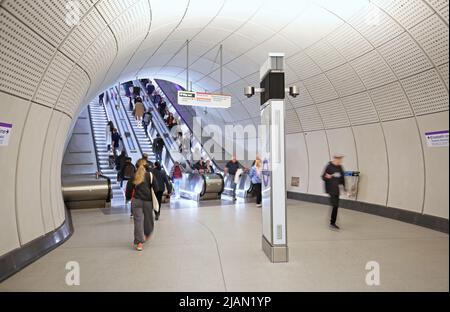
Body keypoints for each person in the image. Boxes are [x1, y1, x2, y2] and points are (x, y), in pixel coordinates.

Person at [125, 159, 156, 252]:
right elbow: (156, 188)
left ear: (136, 166)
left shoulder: (134, 176)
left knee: (138, 221)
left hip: (136, 201)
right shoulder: (150, 175)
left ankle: (139, 243)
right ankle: (146, 235)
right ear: (146, 166)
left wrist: (128, 198)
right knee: (148, 220)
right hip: (147, 201)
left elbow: (129, 189)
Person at [322, 155, 346, 230]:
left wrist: (345, 188)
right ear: (335, 159)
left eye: (341, 160)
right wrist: (327, 176)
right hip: (330, 189)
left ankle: (332, 222)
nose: (340, 161)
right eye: (339, 159)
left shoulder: (340, 167)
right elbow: (323, 177)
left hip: (337, 190)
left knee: (336, 206)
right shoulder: (329, 166)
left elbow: (342, 179)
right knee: (335, 205)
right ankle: (332, 223)